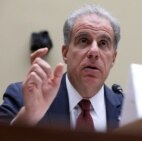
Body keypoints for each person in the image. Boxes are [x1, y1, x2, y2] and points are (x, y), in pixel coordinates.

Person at [0, 4, 123, 132]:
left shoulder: (129, 112)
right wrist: (28, 117)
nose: (94, 51)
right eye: (84, 40)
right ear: (65, 53)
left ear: (113, 58)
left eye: (103, 43)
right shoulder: (23, 98)